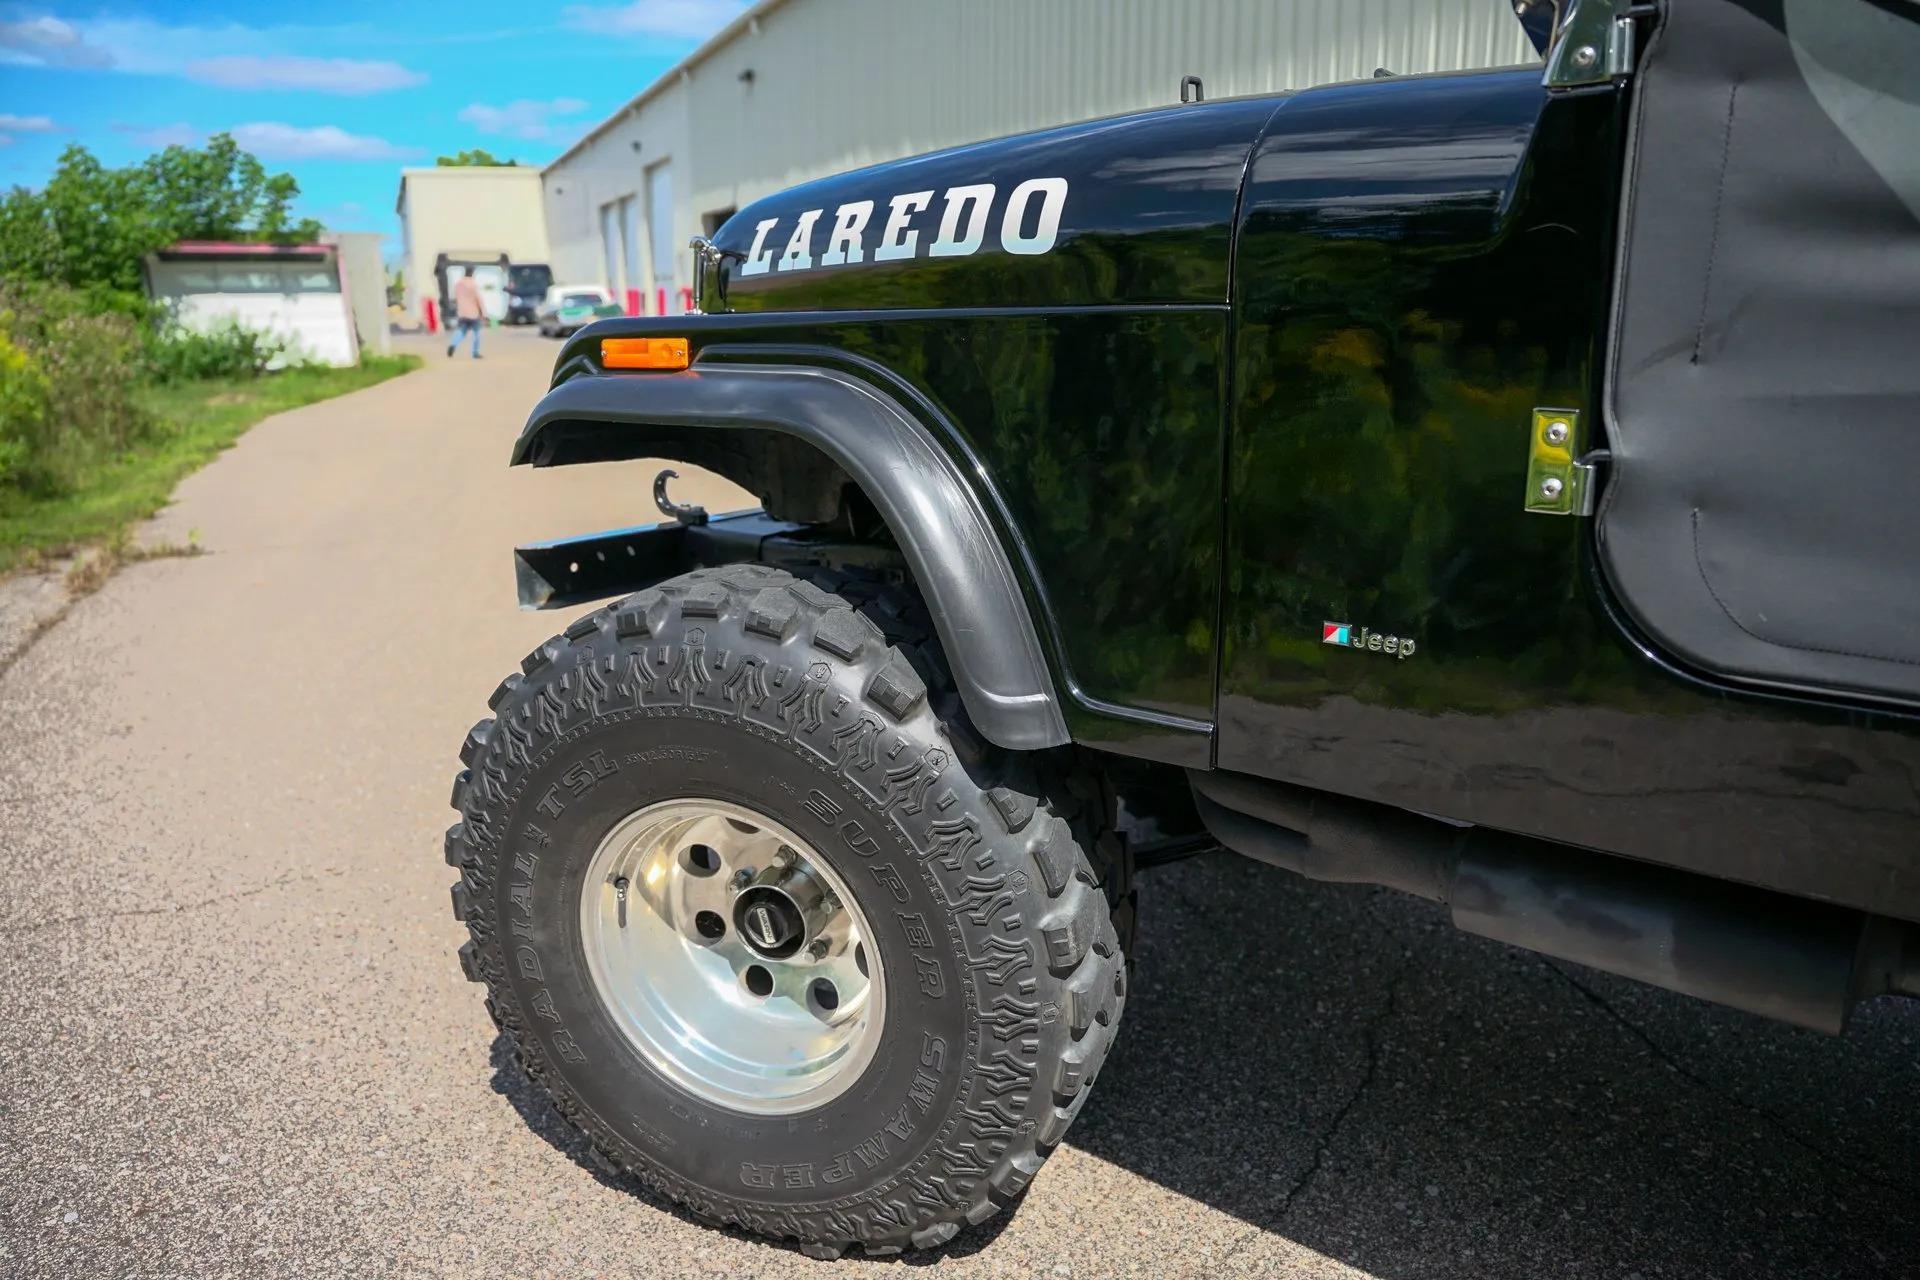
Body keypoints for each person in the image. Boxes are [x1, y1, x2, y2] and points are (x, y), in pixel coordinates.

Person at [447, 266, 484, 359]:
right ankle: (475, 352)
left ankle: (453, 344)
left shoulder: (458, 284)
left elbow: (454, 298)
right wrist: (483, 312)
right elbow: (478, 299)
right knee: (477, 333)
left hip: (462, 313)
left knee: (461, 331)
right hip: (473, 313)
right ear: (472, 273)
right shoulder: (472, 284)